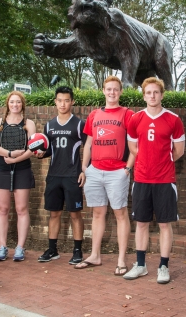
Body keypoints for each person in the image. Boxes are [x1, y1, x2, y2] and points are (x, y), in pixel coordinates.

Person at [123, 77, 185, 284]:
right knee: (141, 223)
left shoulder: (173, 119)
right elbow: (132, 147)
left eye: (156, 92)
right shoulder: (135, 119)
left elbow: (179, 151)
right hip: (141, 179)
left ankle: (163, 266)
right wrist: (145, 160)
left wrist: (161, 160)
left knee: (165, 225)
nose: (152, 96)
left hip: (165, 180)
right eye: (148, 93)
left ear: (161, 94)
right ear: (144, 95)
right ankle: (140, 265)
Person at [74, 76, 135, 276]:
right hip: (95, 171)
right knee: (98, 214)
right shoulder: (94, 115)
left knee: (120, 214)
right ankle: (95, 255)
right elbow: (89, 144)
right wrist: (85, 168)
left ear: (120, 92)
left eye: (115, 89)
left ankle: (121, 259)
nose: (112, 92)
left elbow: (135, 144)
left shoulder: (127, 114)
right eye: (108, 89)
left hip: (117, 171)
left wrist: (127, 168)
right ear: (103, 91)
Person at [34, 86, 86, 265]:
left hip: (72, 176)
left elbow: (88, 148)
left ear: (72, 102)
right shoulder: (49, 125)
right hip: (54, 175)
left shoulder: (79, 124)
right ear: (55, 102)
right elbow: (48, 149)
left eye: (66, 100)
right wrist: (41, 153)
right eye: (59, 100)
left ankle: (78, 250)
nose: (63, 104)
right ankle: (52, 249)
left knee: (75, 214)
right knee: (54, 214)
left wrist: (84, 170)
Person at [0, 91, 36, 261]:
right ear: (7, 104)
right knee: (2, 209)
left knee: (21, 209)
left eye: (18, 102)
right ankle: (2, 247)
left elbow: (33, 148)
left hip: (22, 168)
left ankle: (20, 248)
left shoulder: (28, 123)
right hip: (2, 168)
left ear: (22, 104)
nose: (15, 105)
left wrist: (16, 158)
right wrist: (9, 154)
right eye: (12, 102)